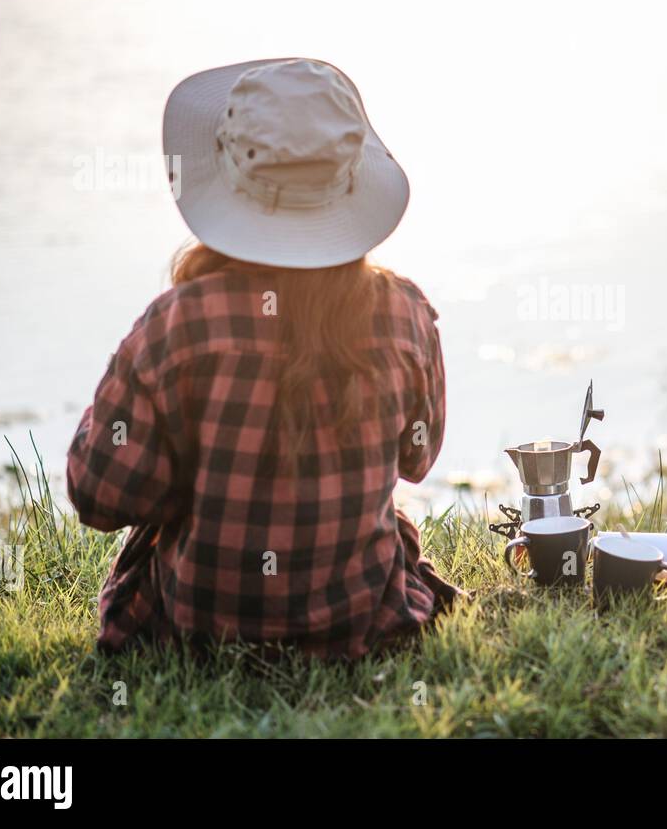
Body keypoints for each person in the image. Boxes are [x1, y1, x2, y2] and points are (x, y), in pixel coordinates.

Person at [67, 58, 456, 657]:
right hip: (360, 619)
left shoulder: (175, 326)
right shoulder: (405, 316)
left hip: (195, 628)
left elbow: (102, 496)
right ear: (350, 183)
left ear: (227, 181)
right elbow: (417, 459)